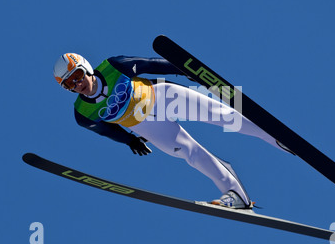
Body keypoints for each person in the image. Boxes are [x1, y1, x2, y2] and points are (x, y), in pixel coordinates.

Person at [53, 53, 290, 209]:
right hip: (146, 125)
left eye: (76, 76)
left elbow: (149, 64)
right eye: (69, 84)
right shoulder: (82, 114)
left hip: (163, 97)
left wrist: (184, 69)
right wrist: (129, 141)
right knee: (191, 154)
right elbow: (105, 130)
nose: (77, 84)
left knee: (225, 117)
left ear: (85, 68)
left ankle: (277, 138)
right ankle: (236, 196)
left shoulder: (113, 66)